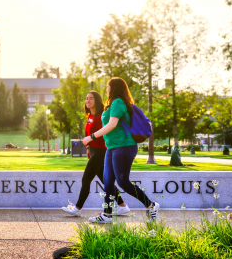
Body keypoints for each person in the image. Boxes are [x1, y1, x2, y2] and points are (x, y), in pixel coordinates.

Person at [83, 78, 159, 223]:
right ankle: (107, 215)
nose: (106, 89)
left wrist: (91, 137)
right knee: (108, 182)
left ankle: (151, 205)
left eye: (108, 87)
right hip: (112, 147)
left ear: (114, 88)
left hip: (124, 147)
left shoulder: (118, 102)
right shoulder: (112, 104)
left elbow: (112, 124)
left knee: (123, 181)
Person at [61, 91, 129, 217]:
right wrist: (88, 148)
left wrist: (94, 148)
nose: (88, 101)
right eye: (86, 99)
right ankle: (122, 206)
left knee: (86, 178)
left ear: (97, 101)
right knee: (105, 180)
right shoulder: (90, 117)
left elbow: (103, 133)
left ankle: (77, 208)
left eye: (91, 99)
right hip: (94, 151)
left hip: (101, 151)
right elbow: (89, 135)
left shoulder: (100, 117)